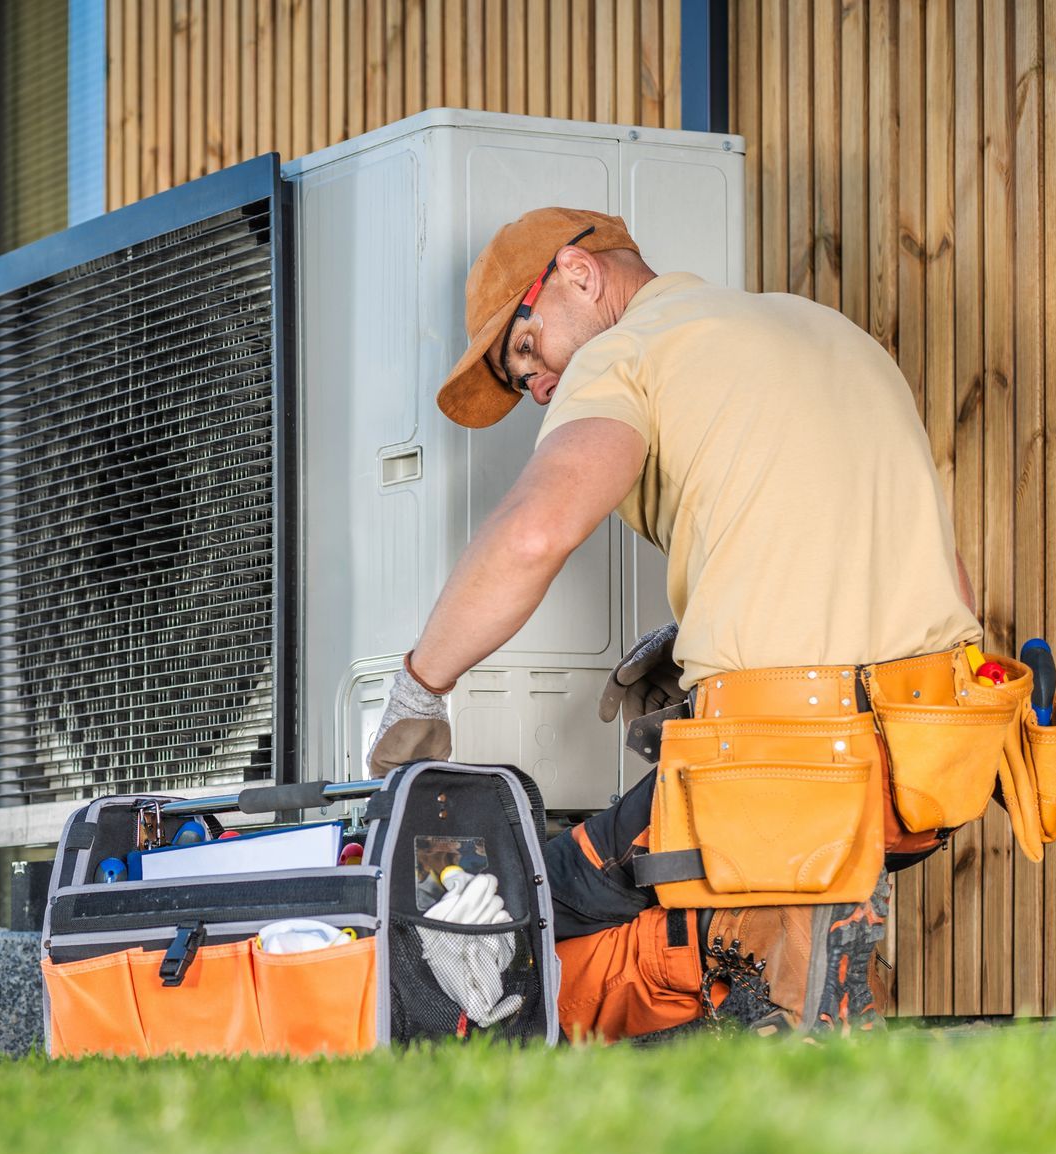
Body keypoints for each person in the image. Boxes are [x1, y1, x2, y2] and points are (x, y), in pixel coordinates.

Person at [367, 207, 984, 1040]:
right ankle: (794, 972)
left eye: (526, 351)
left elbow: (534, 532)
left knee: (522, 895)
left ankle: (760, 1000)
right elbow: (946, 579)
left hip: (781, 764)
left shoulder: (628, 351)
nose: (539, 387)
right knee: (704, 874)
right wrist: (718, 635)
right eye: (525, 385)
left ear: (577, 275)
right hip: (926, 766)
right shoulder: (828, 331)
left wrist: (419, 687)